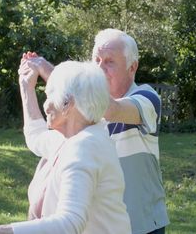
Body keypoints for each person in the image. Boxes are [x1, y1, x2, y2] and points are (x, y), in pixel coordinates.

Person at [25, 28, 169, 234]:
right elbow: (39, 138)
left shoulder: (146, 98)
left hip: (143, 225)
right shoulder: (79, 112)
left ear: (132, 67)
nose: (101, 69)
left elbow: (111, 109)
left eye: (110, 62)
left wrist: (52, 73)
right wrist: (26, 87)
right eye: (97, 60)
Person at [0, 60, 131, 234]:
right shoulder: (70, 138)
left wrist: (8, 231)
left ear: (68, 104)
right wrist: (26, 87)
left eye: (50, 96)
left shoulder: (85, 146)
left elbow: (71, 221)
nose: (46, 105)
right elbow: (36, 136)